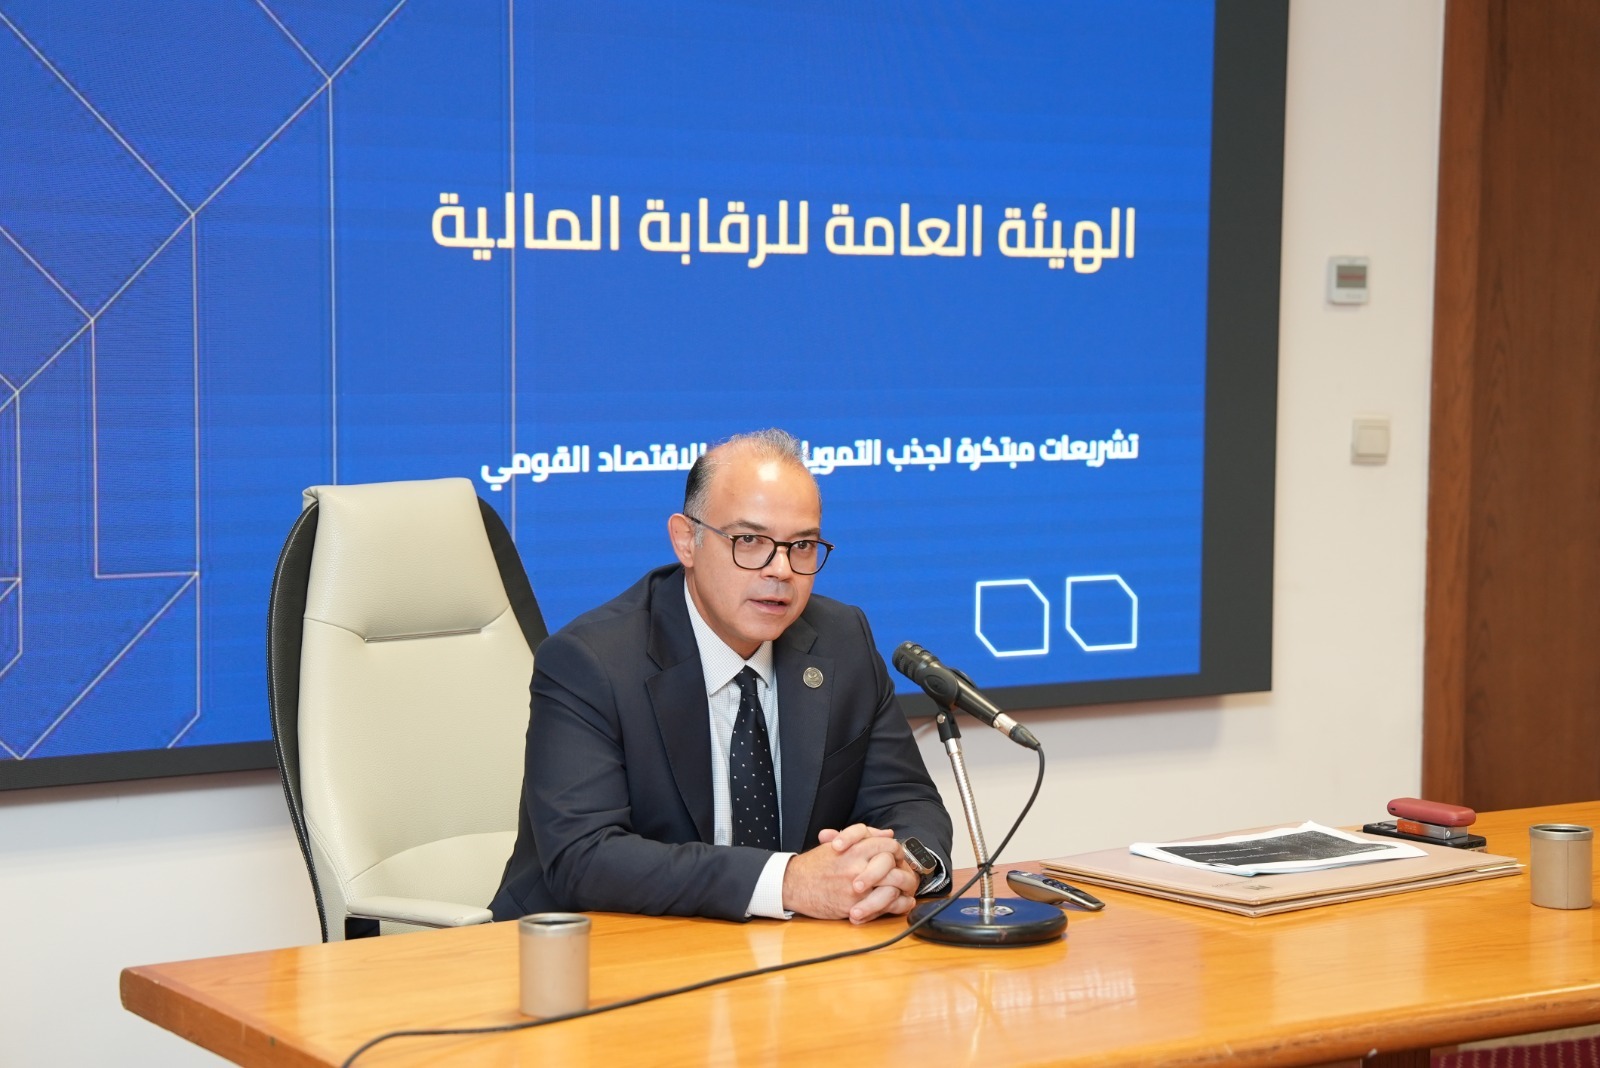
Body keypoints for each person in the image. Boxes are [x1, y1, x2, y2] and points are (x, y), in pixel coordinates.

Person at [490, 429, 953, 923]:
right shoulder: (590, 661)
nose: (781, 570)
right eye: (749, 541)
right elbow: (584, 857)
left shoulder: (842, 640)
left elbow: (908, 800)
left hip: (781, 950)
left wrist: (900, 867)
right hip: (588, 949)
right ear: (686, 540)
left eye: (802, 545)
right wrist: (787, 882)